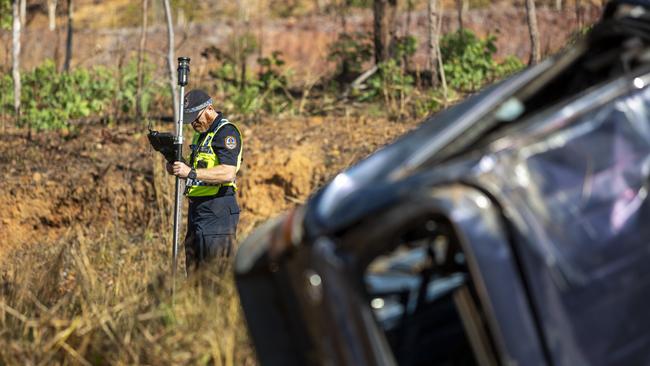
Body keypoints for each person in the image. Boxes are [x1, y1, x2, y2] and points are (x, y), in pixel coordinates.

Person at [166, 89, 243, 273]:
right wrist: (178, 166)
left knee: (215, 275)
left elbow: (227, 172)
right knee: (194, 275)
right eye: (190, 119)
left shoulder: (226, 133)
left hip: (218, 212)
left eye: (195, 117)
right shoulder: (201, 135)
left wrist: (190, 173)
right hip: (198, 212)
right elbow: (199, 169)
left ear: (209, 108)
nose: (193, 123)